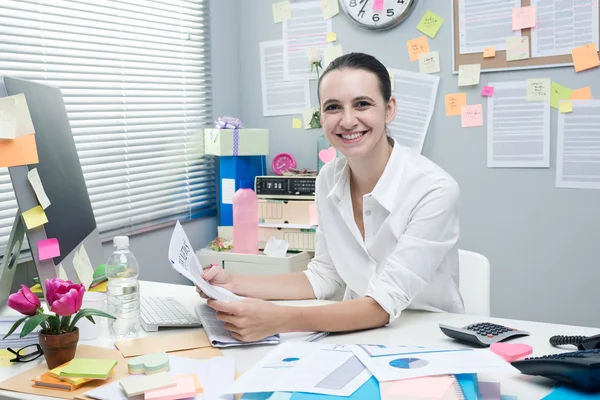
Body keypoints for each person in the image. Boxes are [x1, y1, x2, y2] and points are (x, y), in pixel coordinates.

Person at [198, 52, 465, 342]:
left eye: (362, 104)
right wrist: (234, 283)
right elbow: (325, 276)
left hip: (429, 339)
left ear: (389, 110)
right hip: (357, 335)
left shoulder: (434, 190)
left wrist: (278, 319)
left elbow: (382, 305)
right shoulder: (327, 178)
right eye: (333, 107)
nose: (348, 120)